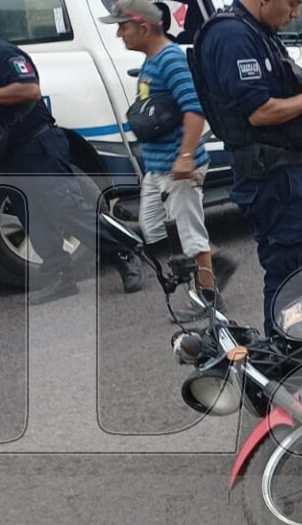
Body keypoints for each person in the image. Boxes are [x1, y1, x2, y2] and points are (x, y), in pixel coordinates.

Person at [0, 0, 137, 304]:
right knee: (32, 217)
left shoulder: (5, 55)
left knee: (68, 208)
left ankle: (124, 254)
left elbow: (30, 90)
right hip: (8, 153)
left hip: (36, 146)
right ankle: (60, 277)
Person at [191, 0, 302, 338]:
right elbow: (258, 111)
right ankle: (285, 358)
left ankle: (291, 351)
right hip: (272, 174)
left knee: (297, 273)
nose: (295, 14)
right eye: (291, 3)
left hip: (281, 170)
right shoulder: (231, 35)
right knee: (290, 276)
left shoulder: (254, 31)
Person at [100, 0, 238, 315]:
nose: (120, 34)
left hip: (180, 165)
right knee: (151, 226)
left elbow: (194, 108)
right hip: (160, 166)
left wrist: (186, 157)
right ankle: (215, 262)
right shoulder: (152, 61)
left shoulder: (171, 60)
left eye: (123, 26)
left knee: (190, 233)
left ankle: (208, 295)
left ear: (144, 28)